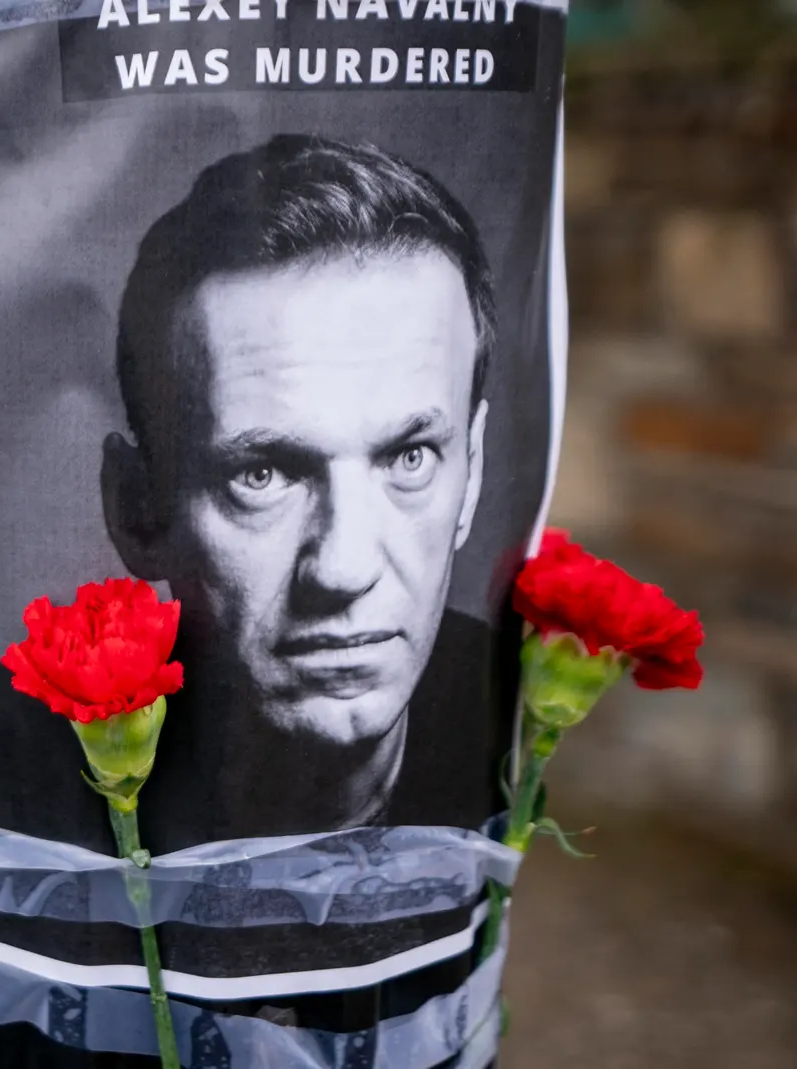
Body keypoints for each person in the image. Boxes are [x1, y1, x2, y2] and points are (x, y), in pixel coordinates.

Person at [98, 133, 496, 841]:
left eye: (410, 458)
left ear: (473, 473)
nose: (344, 568)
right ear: (137, 510)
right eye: (263, 474)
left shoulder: (509, 715)